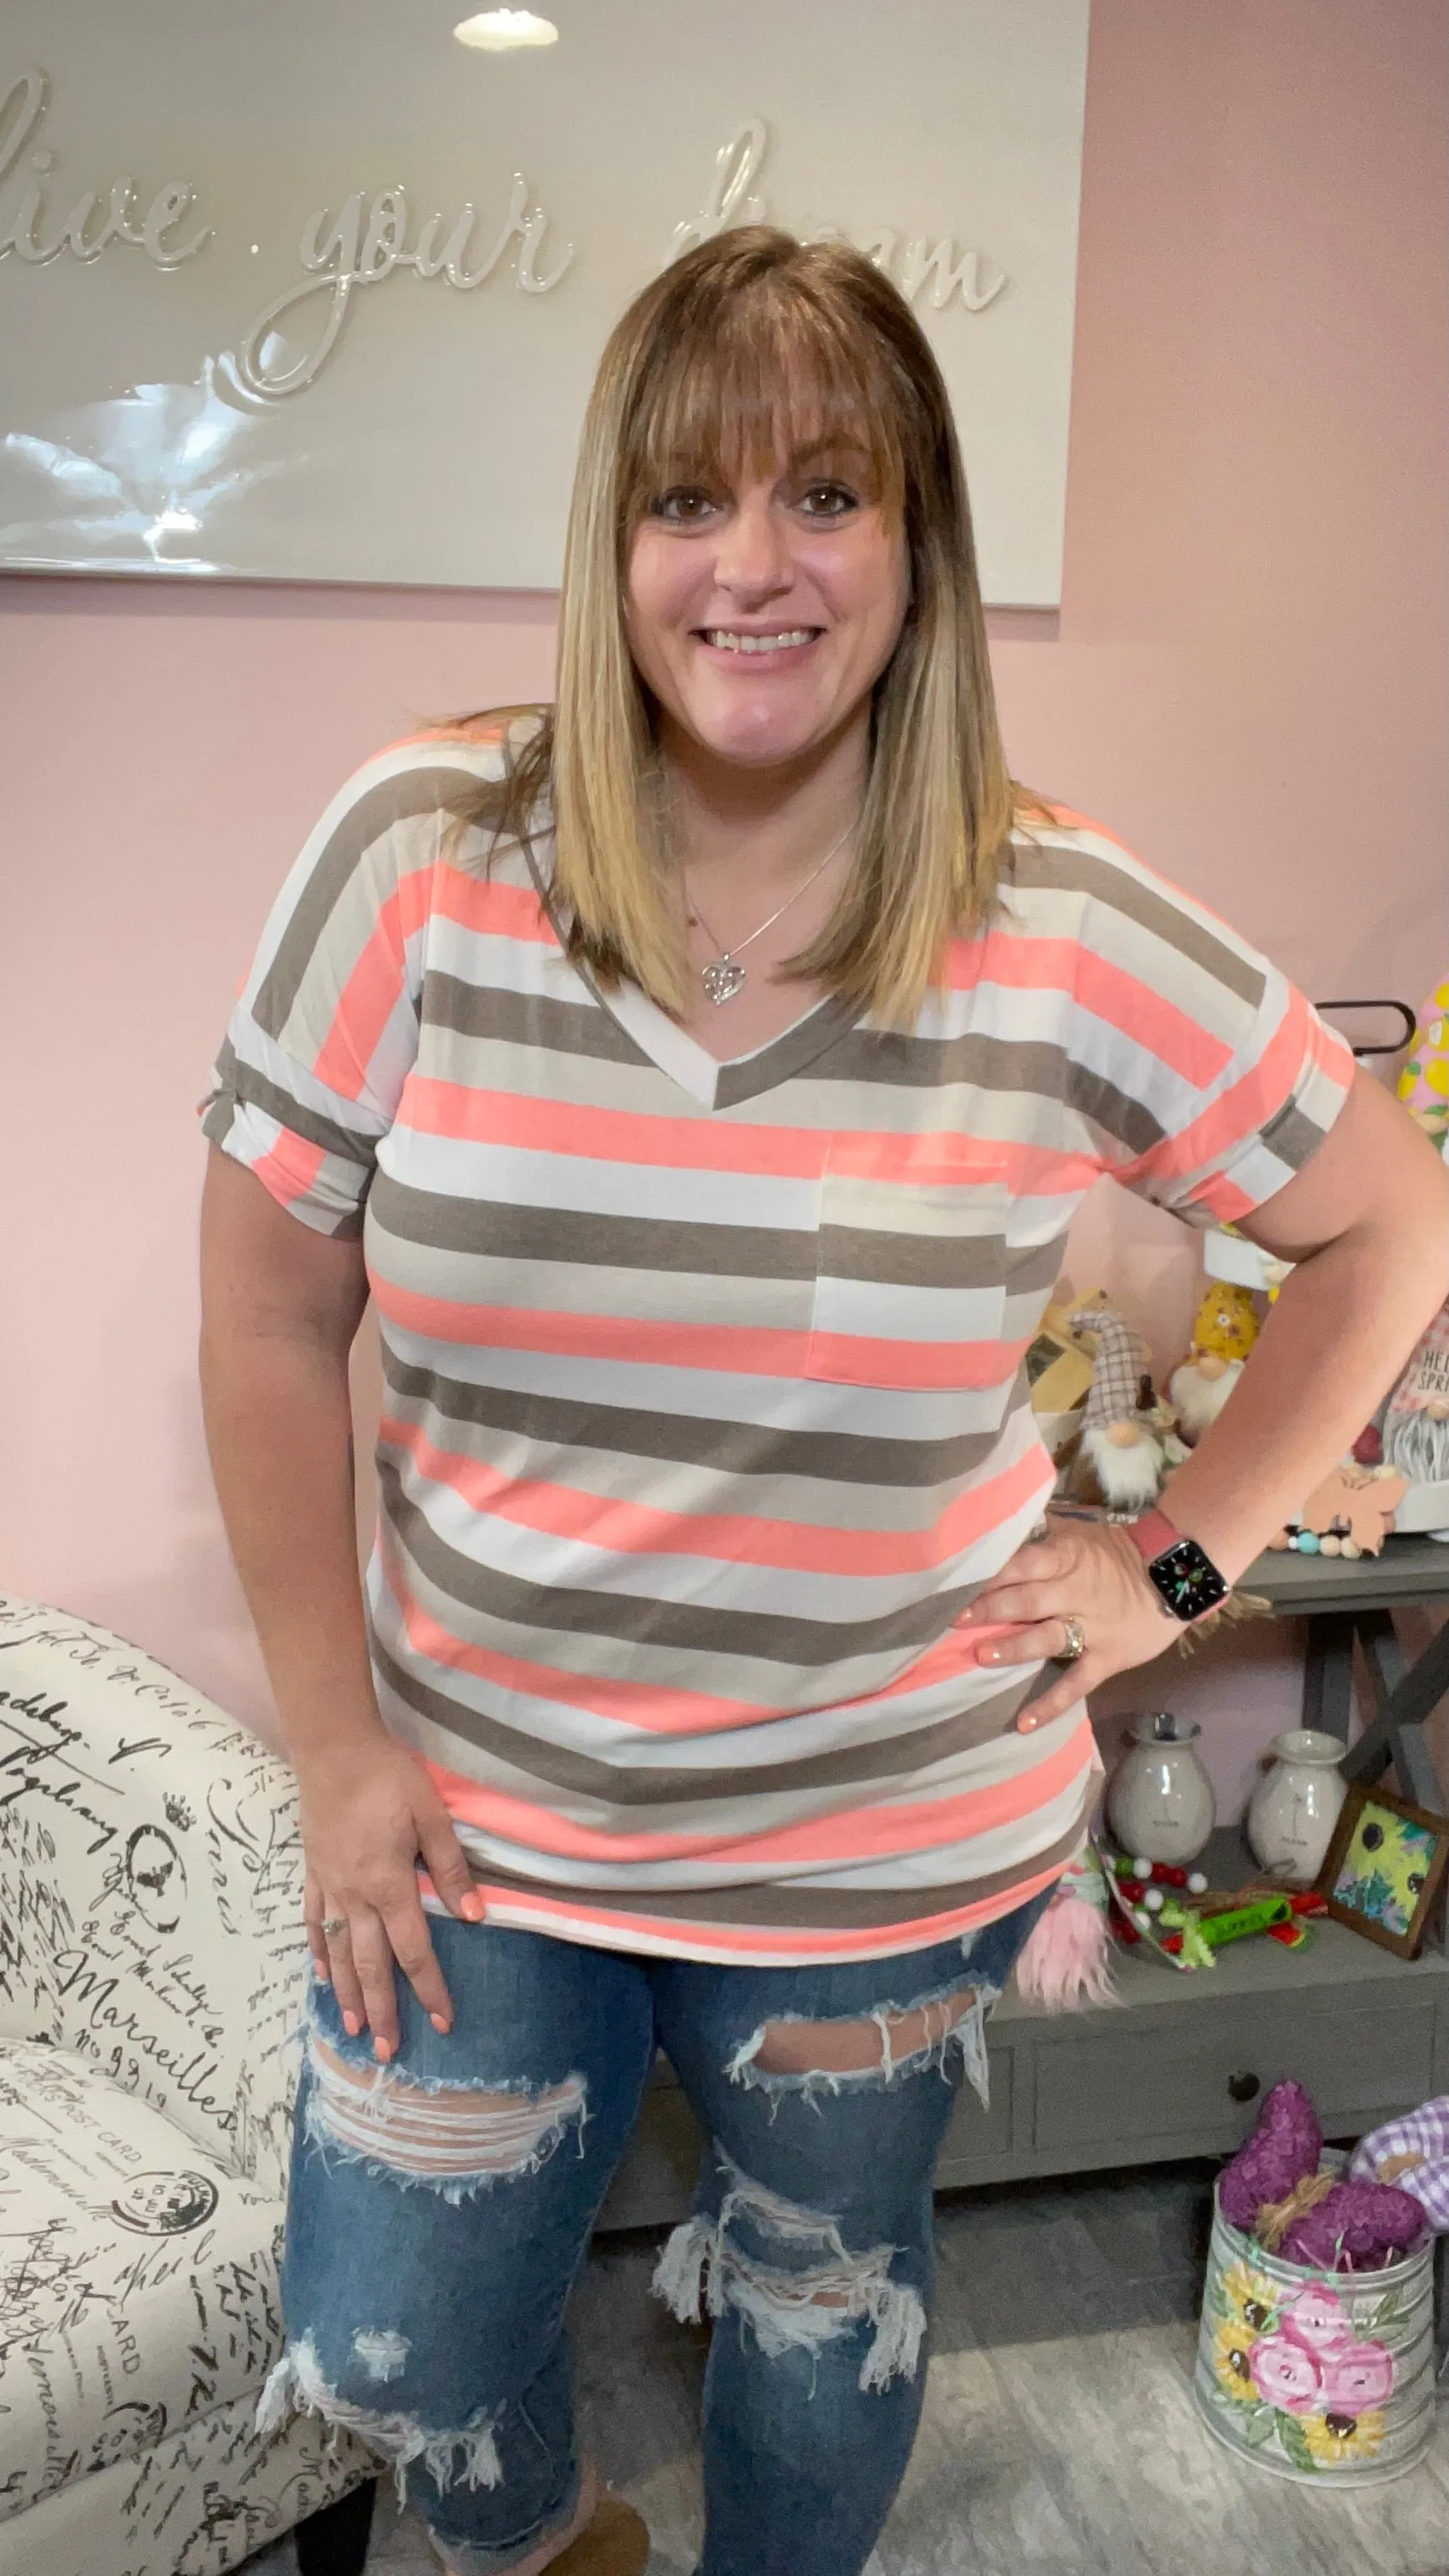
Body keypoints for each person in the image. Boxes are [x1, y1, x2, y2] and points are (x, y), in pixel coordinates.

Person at [199, 229, 1448, 2576]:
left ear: (919, 547)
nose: (752, 565)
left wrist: (1178, 1560)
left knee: (816, 2310)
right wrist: (342, 1755)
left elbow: (1395, 1223)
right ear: (611, 545)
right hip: (490, 1820)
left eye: (827, 496)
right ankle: (557, 2540)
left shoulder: (1055, 914)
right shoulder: (419, 859)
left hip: (885, 1854)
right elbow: (268, 1320)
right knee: (390, 2343)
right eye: (689, 501)